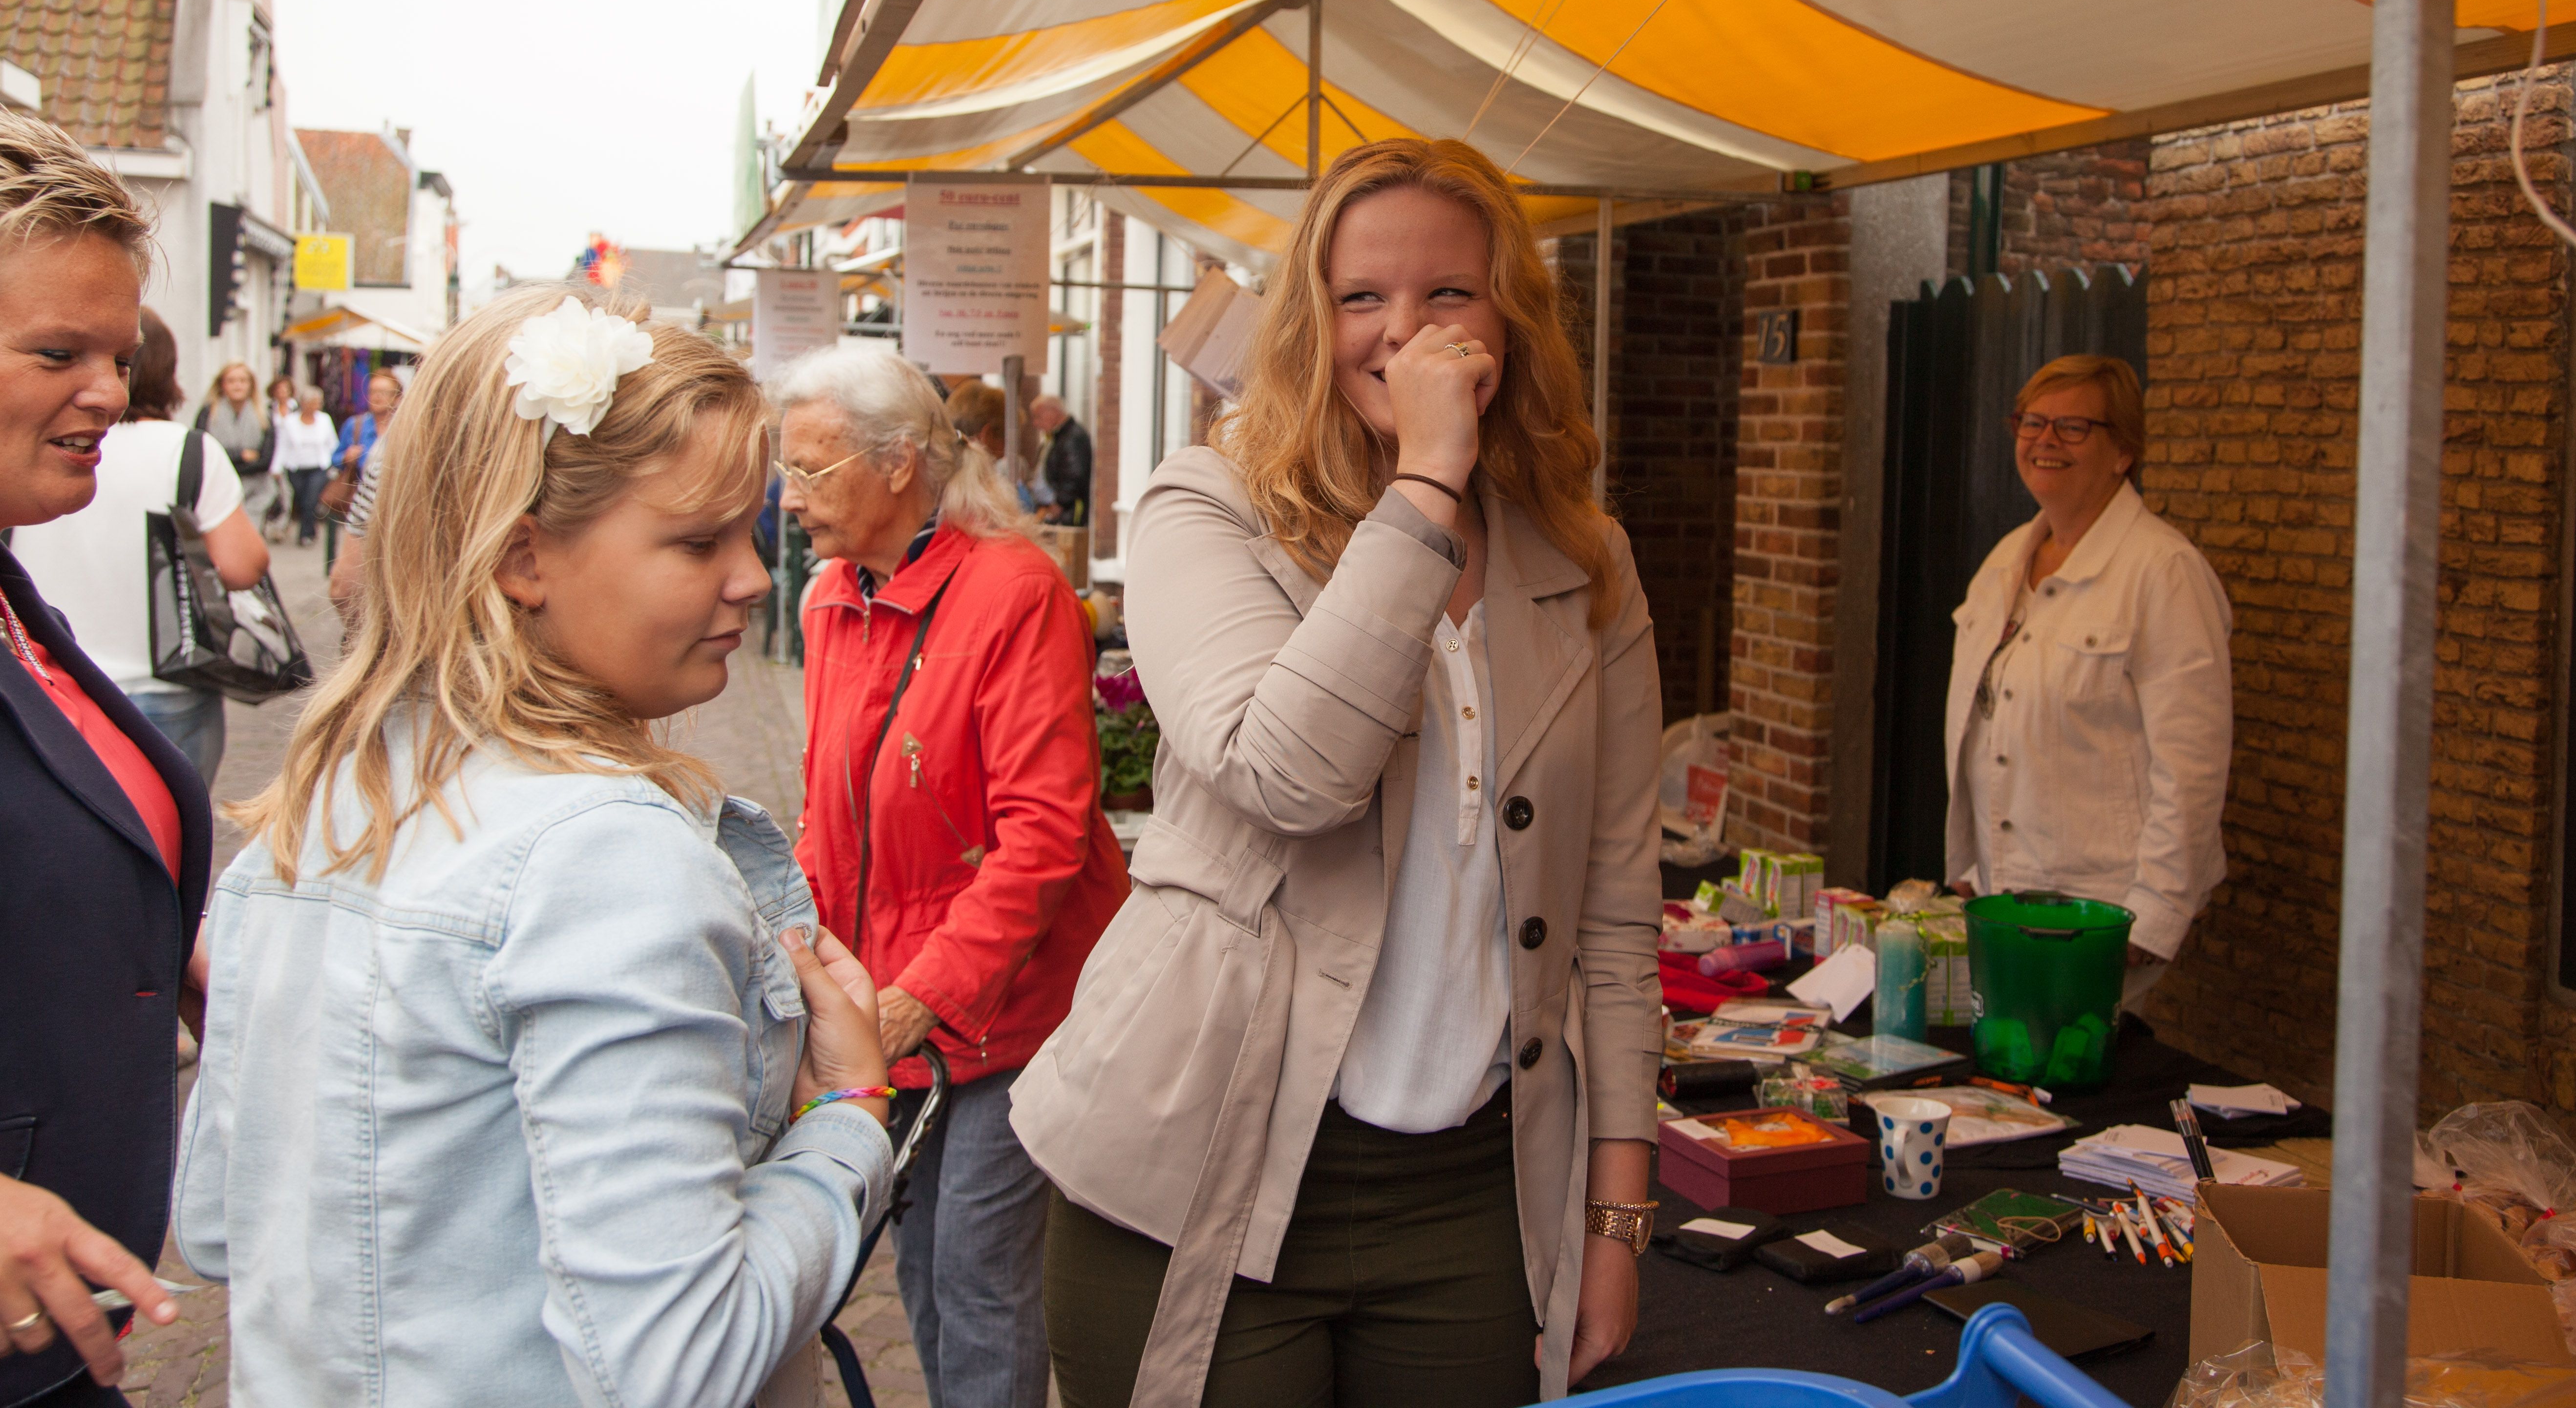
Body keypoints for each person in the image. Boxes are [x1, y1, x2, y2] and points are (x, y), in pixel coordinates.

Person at [1014, 136, 1664, 1408]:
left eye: (1448, 293)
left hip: (1470, 1200)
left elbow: (1617, 912)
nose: (1403, 331)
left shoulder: (1587, 562)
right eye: (1363, 296)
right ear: (1313, 323)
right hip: (1194, 1161)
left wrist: (1617, 1219)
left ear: (1509, 320)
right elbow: (1289, 776)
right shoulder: (1210, 509)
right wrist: (1426, 482)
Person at [175, 286, 897, 1406]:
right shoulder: (607, 860)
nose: (755, 577)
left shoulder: (317, 810)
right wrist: (845, 1119)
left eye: (749, 531)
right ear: (524, 558)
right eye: (697, 541)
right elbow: (685, 1358)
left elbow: (220, 1221)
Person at [770, 347, 1128, 1408]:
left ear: (896, 465)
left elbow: (1044, 836)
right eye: (787, 470)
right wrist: (807, 967)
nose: (789, 498)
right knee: (921, 1268)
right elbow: (828, 820)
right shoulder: (831, 597)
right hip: (893, 1009)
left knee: (976, 1273)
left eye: (811, 470)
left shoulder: (1014, 591)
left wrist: (920, 997)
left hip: (1011, 1004)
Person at [0, 111, 204, 1406]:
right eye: (57, 353)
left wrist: (162, 942)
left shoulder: (14, 593)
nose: (109, 395)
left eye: (119, 357)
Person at [1943, 354, 2234, 1001]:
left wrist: (2152, 915)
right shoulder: (2006, 560)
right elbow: (1981, 724)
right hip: (2003, 898)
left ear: (2123, 451)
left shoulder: (2164, 572)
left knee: (2070, 1059)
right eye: (2033, 422)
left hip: (2101, 915)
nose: (2045, 441)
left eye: (2073, 428)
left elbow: (2192, 766)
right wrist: (1969, 861)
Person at [14, 308, 269, 787]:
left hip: (49, 681)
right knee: (169, 828)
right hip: (165, 682)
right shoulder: (188, 450)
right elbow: (242, 567)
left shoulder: (30, 449)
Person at [327, 365, 399, 571]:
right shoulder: (355, 425)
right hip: (358, 501)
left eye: (384, 393)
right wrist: (346, 457)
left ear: (396, 397)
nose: (377, 397)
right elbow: (334, 458)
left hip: (391, 505)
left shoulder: (403, 427)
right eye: (373, 392)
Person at [195, 363, 273, 528]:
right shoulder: (208, 413)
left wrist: (227, 459)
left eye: (243, 381)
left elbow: (265, 461)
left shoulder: (264, 415)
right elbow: (202, 452)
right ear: (222, 384)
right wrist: (241, 456)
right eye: (231, 381)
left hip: (255, 493)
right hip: (218, 490)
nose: (238, 386)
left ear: (251, 385)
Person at [946, 379, 1040, 513]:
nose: (1004, 454)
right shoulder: (978, 504)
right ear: (987, 435)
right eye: (1006, 442)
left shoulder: (941, 485)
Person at [273, 383, 338, 547]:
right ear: (304, 403)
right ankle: (311, 530)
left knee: (311, 499)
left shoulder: (324, 420)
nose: (317, 406)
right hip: (296, 467)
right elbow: (283, 446)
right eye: (313, 402)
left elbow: (332, 444)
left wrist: (336, 466)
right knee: (303, 500)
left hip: (319, 467)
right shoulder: (290, 421)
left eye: (318, 403)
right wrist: (276, 467)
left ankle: (305, 535)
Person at [1028, 395, 1090, 526]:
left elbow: (1074, 476)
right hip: (1053, 511)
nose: (1036, 423)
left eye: (1038, 417)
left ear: (1053, 412)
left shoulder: (1072, 438)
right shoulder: (1057, 437)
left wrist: (1059, 505)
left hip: (1066, 515)